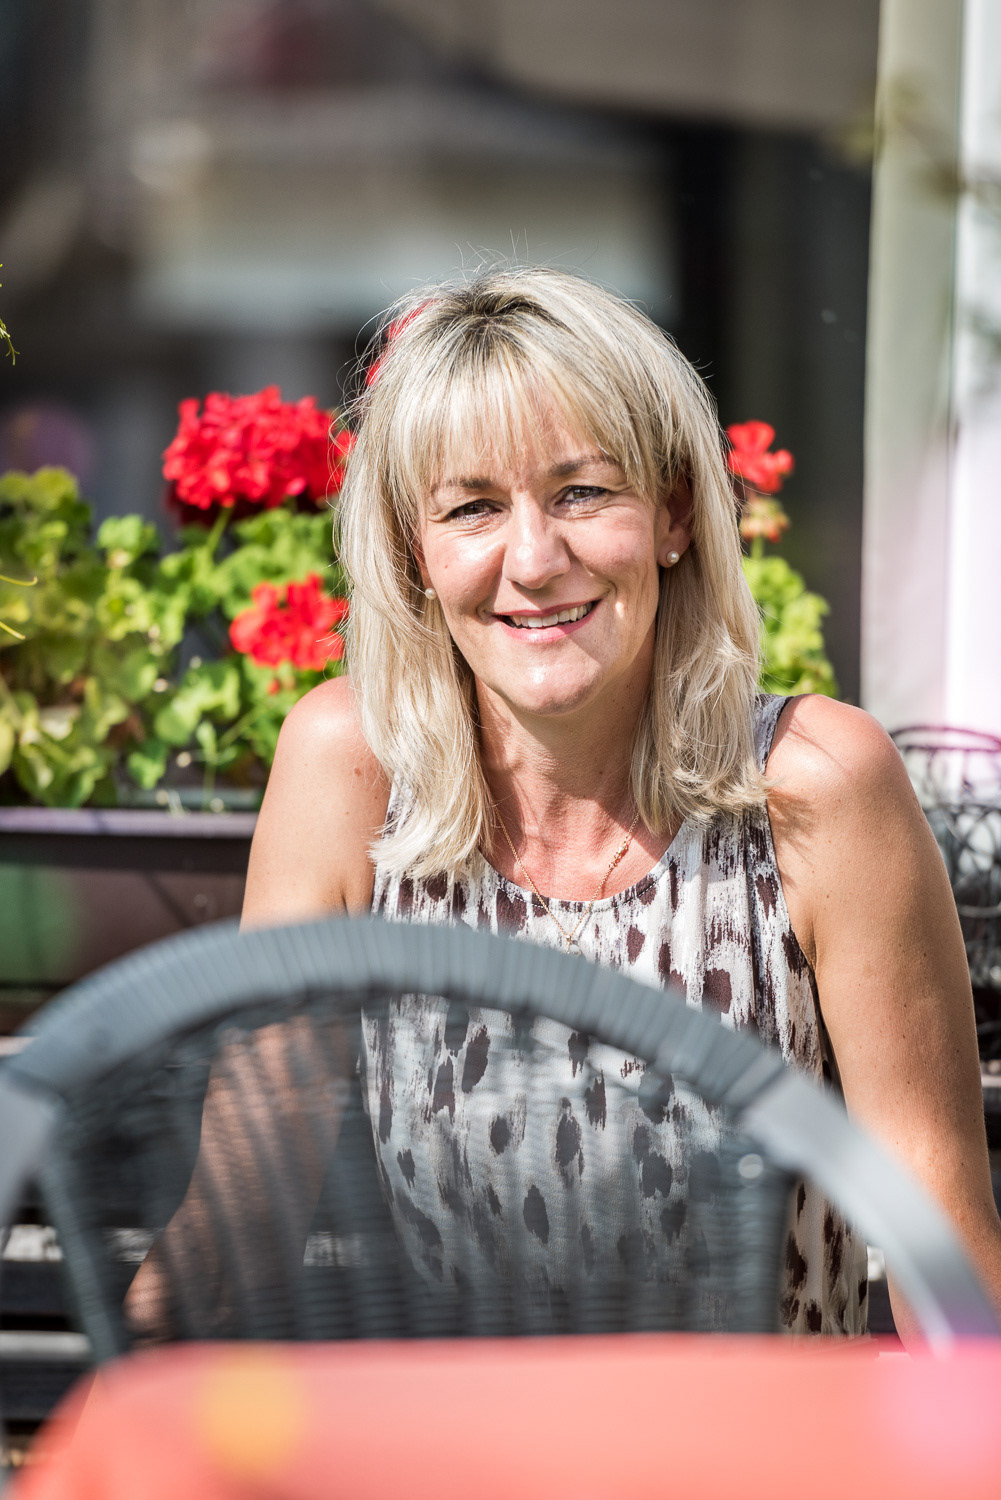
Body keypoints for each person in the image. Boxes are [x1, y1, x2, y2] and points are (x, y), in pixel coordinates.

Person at [241, 266, 1001, 1338]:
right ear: (417, 556)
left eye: (581, 493)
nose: (532, 560)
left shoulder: (815, 786)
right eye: (471, 508)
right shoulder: (351, 768)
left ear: (675, 514)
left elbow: (944, 1257)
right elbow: (237, 1214)